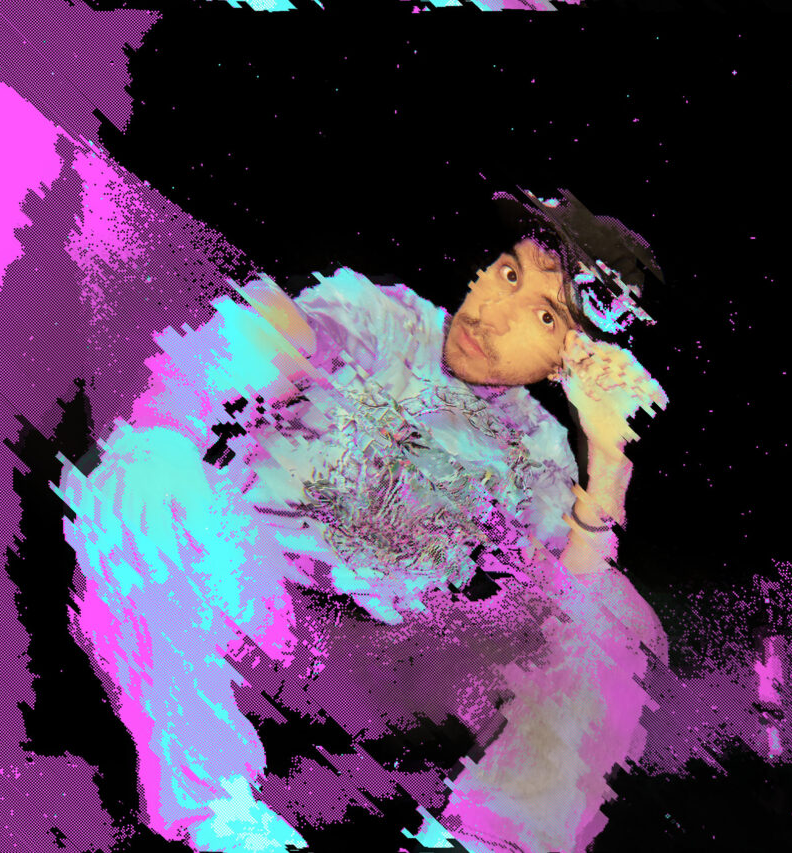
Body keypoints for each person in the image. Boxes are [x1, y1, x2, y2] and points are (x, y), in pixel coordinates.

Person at [56, 188, 670, 853]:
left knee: (619, 632)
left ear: (567, 363)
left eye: (544, 316)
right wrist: (237, 372)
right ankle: (219, 813)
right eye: (509, 273)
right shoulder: (377, 315)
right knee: (144, 464)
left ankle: (487, 843)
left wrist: (608, 462)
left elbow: (571, 611)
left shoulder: (541, 453)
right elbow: (249, 352)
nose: (494, 311)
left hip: (387, 668)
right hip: (255, 604)